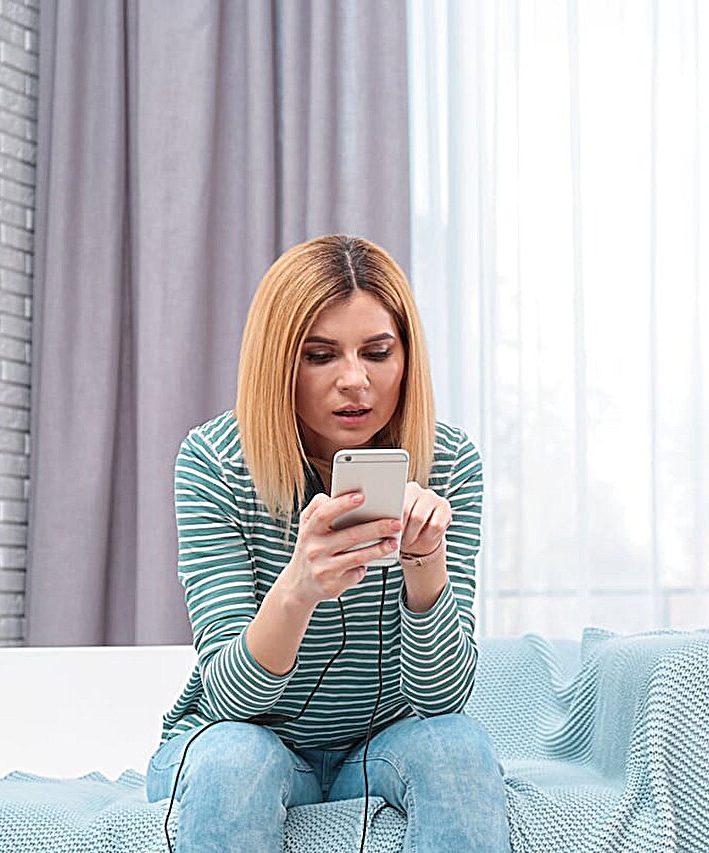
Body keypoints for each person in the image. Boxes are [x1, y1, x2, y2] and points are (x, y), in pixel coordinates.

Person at [146, 235, 510, 852]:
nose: (355, 380)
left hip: (380, 746)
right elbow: (231, 700)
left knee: (458, 746)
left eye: (378, 352)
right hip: (242, 739)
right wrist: (298, 590)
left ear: (406, 358)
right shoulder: (215, 462)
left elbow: (443, 699)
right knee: (237, 760)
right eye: (320, 355)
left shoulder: (448, 462)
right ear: (279, 363)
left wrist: (425, 567)